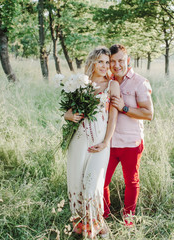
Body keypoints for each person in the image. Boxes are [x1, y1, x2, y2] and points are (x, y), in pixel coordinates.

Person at [64, 46, 120, 239]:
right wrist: (68, 116)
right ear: (93, 63)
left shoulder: (112, 85)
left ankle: (96, 231)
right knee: (78, 187)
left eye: (107, 62)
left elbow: (113, 117)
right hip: (78, 142)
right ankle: (89, 228)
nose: (105, 66)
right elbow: (68, 112)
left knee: (91, 188)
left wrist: (106, 142)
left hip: (99, 144)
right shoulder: (81, 84)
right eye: (101, 62)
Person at [103, 44, 153, 226]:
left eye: (120, 61)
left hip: (131, 143)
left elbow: (148, 114)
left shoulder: (140, 82)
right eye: (112, 61)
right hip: (109, 142)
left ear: (128, 61)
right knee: (102, 181)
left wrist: (123, 107)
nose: (117, 65)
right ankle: (104, 214)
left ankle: (128, 218)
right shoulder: (106, 81)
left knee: (131, 181)